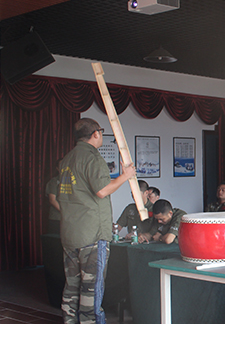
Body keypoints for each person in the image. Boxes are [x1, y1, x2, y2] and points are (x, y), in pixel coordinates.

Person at [57, 118, 136, 324]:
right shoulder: (92, 157)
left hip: (70, 232)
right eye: (101, 131)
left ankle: (69, 323)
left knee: (72, 284)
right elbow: (101, 191)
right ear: (96, 134)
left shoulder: (68, 159)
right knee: (91, 287)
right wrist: (126, 175)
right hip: (91, 234)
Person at [46, 159, 62, 234]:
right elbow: (52, 200)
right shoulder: (54, 181)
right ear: (57, 168)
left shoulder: (74, 181)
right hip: (57, 218)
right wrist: (65, 212)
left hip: (70, 219)